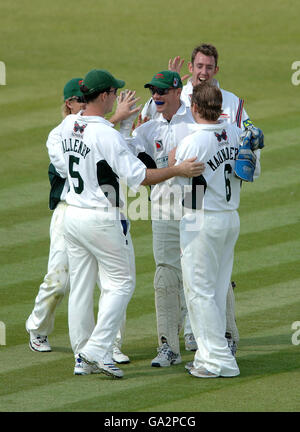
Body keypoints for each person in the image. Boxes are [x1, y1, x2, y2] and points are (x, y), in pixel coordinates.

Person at [53, 68, 204, 378]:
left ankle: (83, 355)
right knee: (121, 284)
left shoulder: (68, 124)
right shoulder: (103, 132)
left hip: (72, 214)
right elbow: (138, 177)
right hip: (101, 216)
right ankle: (97, 350)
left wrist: (120, 126)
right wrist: (177, 169)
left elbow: (66, 159)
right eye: (113, 93)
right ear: (106, 95)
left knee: (81, 287)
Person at [141, 43, 251, 354]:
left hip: (202, 203)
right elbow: (141, 146)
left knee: (208, 276)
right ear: (190, 68)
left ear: (216, 69)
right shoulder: (163, 98)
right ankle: (170, 344)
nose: (203, 72)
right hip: (168, 200)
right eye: (198, 66)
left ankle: (215, 339)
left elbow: (246, 145)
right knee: (170, 271)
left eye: (209, 67)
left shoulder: (228, 103)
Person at [25, 78, 139, 367]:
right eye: (80, 99)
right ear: (70, 104)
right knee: (63, 280)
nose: (83, 104)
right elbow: (87, 153)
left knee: (104, 282)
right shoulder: (59, 133)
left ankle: (108, 346)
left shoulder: (84, 129)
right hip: (74, 210)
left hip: (92, 209)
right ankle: (42, 330)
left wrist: (114, 122)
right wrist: (115, 120)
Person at [175, 82, 261, 378]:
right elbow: (253, 171)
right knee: (216, 287)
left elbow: (180, 186)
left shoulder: (193, 141)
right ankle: (207, 354)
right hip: (229, 217)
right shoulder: (237, 134)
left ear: (195, 107)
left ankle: (218, 360)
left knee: (199, 291)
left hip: (201, 220)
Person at [123, 70, 202, 367]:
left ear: (175, 92)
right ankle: (168, 346)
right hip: (162, 209)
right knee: (166, 275)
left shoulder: (195, 123)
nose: (155, 96)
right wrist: (127, 124)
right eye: (152, 91)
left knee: (199, 272)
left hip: (195, 207)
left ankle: (203, 336)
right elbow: (126, 158)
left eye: (160, 91)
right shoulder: (146, 130)